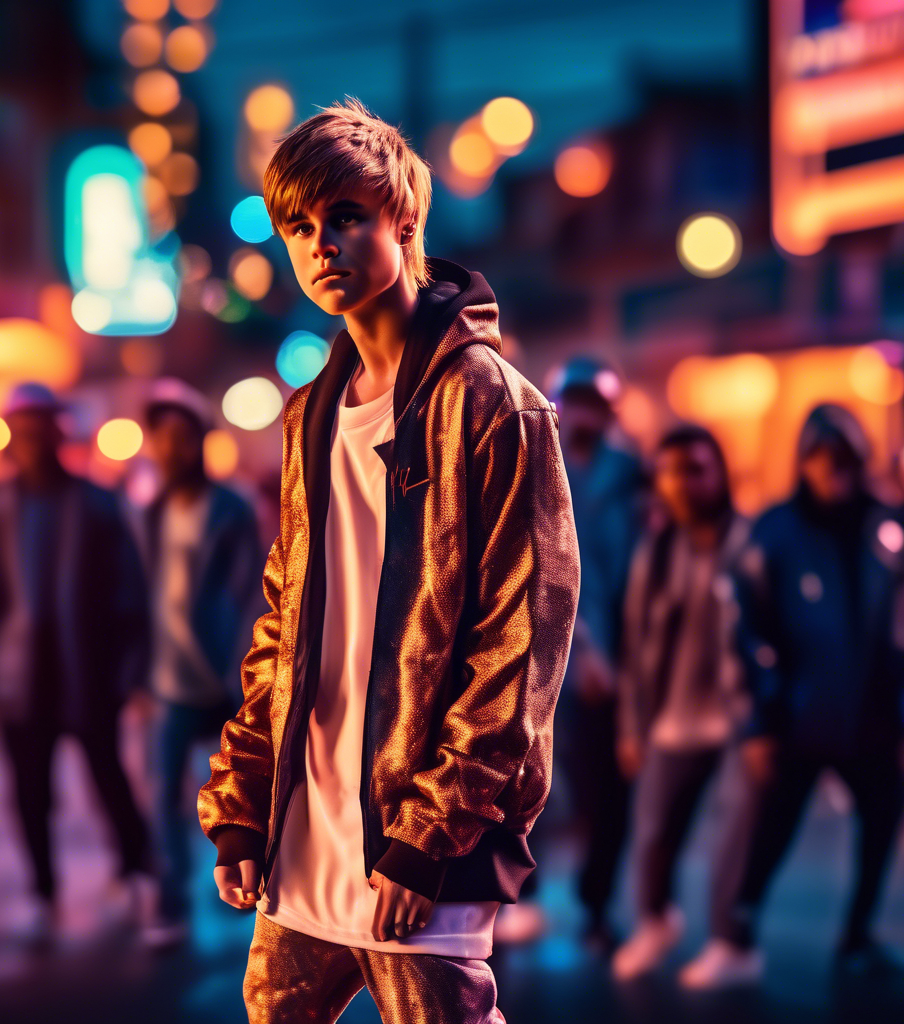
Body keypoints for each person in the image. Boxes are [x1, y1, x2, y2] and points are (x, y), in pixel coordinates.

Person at [197, 99, 579, 1024]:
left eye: (345, 217)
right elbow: (284, 623)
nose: (321, 243)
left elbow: (521, 640)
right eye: (300, 226)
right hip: (306, 826)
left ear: (403, 222)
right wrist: (245, 800)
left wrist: (429, 834)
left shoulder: (495, 402)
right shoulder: (311, 414)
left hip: (417, 836)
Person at [680, 404, 904, 988]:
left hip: (873, 720)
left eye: (846, 459)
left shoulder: (886, 528)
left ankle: (858, 935)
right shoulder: (776, 531)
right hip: (798, 718)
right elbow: (745, 633)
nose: (835, 471)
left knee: (881, 823)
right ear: (803, 462)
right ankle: (737, 936)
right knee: (769, 832)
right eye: (822, 459)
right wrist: (758, 722)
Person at [0, 382, 152, 933]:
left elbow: (129, 593)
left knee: (108, 776)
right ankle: (43, 888)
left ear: (57, 432)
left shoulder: (97, 503)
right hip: (19, 680)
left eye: (40, 426)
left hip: (90, 675)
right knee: (29, 791)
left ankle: (133, 869)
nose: (31, 438)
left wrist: (132, 674)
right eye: (22, 428)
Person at [610, 425, 750, 980]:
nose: (682, 483)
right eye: (669, 471)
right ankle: (656, 921)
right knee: (651, 834)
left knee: (732, 841)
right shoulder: (658, 551)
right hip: (671, 721)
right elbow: (636, 643)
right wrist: (630, 726)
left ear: (719, 472)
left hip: (738, 722)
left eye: (694, 468)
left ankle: (732, 942)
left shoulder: (750, 542)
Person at [139, 378, 265, 946]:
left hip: (225, 678)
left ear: (202, 441)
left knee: (240, 790)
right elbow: (136, 595)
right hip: (168, 682)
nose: (172, 448)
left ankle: (249, 884)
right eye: (162, 437)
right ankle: (168, 902)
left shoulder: (232, 507)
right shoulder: (149, 511)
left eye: (183, 436)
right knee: (163, 794)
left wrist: (246, 672)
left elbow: (251, 595)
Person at [545, 356, 643, 952]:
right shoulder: (532, 461)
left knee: (611, 793)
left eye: (594, 405)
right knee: (522, 783)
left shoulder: (635, 476)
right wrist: (583, 646)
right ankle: (515, 898)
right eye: (573, 402)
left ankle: (596, 904)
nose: (583, 415)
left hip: (621, 661)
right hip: (547, 652)